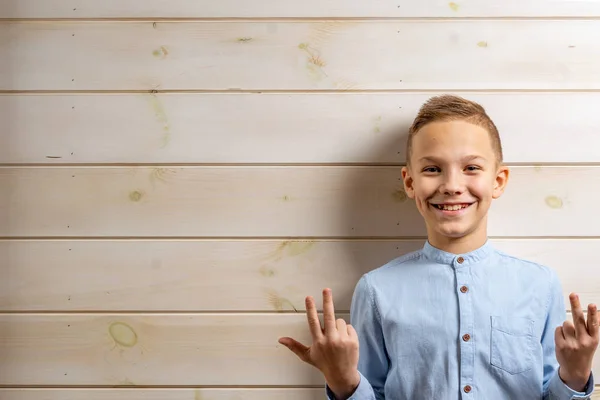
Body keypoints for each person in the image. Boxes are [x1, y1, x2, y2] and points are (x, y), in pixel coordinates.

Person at [278, 95, 599, 399]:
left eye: (471, 168)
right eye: (433, 169)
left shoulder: (540, 285)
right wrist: (342, 379)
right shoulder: (376, 291)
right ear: (410, 182)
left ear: (498, 181)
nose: (452, 186)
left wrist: (575, 374)